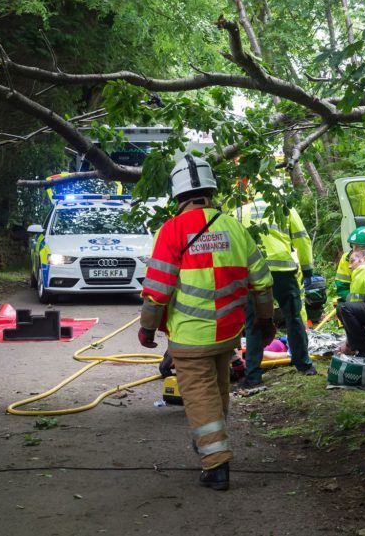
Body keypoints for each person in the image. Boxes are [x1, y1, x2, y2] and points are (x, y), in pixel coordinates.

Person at [139, 155, 276, 491]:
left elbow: (157, 290)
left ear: (178, 192)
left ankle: (215, 464)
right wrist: (266, 319)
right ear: (210, 189)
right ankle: (210, 442)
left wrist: (146, 327)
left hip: (191, 335)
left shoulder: (172, 230)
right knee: (217, 390)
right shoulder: (234, 227)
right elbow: (262, 280)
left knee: (200, 395)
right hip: (227, 331)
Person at [233, 197, 317, 389]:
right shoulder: (284, 205)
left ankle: (253, 375)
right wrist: (307, 268)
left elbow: (234, 243)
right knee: (293, 317)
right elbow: (302, 238)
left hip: (254, 271)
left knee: (253, 322)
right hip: (283, 271)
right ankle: (304, 365)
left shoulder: (241, 211)